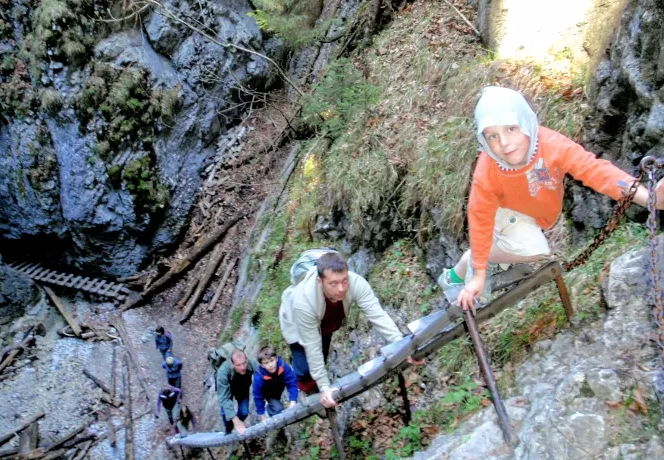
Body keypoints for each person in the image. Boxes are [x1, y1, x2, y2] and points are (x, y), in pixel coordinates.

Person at [437, 86, 664, 311]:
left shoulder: (551, 146)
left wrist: (649, 198)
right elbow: (480, 219)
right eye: (493, 136)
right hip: (503, 213)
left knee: (524, 243)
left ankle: (489, 253)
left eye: (511, 129)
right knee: (534, 248)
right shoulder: (487, 171)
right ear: (484, 140)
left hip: (532, 214)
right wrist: (478, 272)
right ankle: (465, 266)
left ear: (526, 122)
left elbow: (596, 171)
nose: (504, 143)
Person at [279, 252, 420, 409]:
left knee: (322, 356)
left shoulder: (355, 282)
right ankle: (307, 390)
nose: (341, 289)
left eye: (344, 281)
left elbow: (377, 315)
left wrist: (400, 344)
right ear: (320, 281)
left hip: (327, 322)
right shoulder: (303, 301)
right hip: (297, 325)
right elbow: (311, 345)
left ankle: (316, 385)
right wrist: (326, 388)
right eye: (333, 284)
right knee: (304, 369)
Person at [217, 349, 258, 435]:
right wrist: (234, 420)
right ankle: (228, 431)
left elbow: (265, 374)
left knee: (244, 412)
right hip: (227, 390)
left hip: (242, 388)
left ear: (247, 360)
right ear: (232, 364)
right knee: (227, 414)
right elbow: (224, 398)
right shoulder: (222, 373)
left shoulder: (252, 363)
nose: (242, 367)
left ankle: (239, 426)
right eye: (238, 365)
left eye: (244, 363)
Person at [252, 346, 298, 422]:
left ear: (276, 359)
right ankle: (269, 410)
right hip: (268, 394)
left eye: (272, 360)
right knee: (278, 409)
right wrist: (262, 415)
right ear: (262, 365)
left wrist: (293, 400)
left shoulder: (283, 366)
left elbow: (291, 382)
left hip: (279, 387)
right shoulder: (259, 377)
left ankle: (278, 402)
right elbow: (258, 396)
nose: (270, 365)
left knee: (295, 401)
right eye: (266, 363)